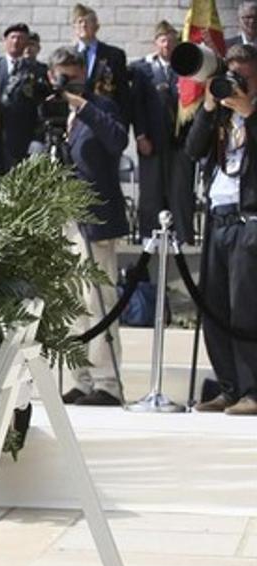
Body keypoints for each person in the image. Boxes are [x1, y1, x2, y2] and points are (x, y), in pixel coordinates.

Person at [46, 47, 129, 407]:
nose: (69, 82)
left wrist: (82, 104)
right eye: (62, 76)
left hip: (96, 216)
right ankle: (80, 377)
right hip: (66, 216)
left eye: (75, 75)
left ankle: (107, 382)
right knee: (72, 303)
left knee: (98, 299)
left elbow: (117, 140)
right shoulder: (54, 114)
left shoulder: (99, 107)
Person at [186, 44, 257, 415]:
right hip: (218, 216)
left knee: (246, 308)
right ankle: (228, 387)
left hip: (251, 221)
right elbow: (192, 150)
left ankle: (253, 390)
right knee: (215, 307)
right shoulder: (221, 111)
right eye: (232, 74)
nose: (236, 82)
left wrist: (251, 113)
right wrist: (209, 107)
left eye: (243, 74)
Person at [130, 20, 196, 243]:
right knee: (151, 191)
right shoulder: (143, 69)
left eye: (171, 39)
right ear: (156, 42)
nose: (167, 44)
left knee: (181, 192)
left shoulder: (187, 68)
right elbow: (136, 106)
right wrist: (140, 136)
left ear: (177, 42)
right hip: (152, 140)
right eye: (163, 39)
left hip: (181, 141)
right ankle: (149, 237)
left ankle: (184, 239)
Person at [0, 23, 49, 171]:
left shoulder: (38, 71)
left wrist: (38, 138)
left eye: (21, 38)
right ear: (5, 40)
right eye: (13, 37)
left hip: (24, 138)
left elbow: (42, 105)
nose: (16, 41)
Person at [71, 4, 130, 127]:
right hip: (77, 122)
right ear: (74, 27)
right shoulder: (68, 56)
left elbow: (124, 93)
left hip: (105, 121)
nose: (83, 25)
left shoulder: (114, 55)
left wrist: (122, 124)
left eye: (88, 21)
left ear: (97, 27)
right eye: (80, 21)